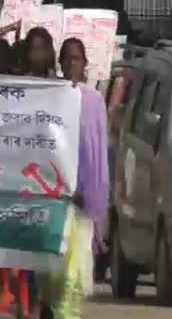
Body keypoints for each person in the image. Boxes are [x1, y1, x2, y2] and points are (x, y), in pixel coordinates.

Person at [40, 38, 109, 319]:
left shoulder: (94, 102)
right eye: (67, 59)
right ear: (60, 63)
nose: (72, 64)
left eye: (77, 59)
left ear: (85, 64)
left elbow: (98, 152)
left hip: (83, 201)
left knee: (75, 275)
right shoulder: (51, 96)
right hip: (55, 197)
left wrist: (94, 197)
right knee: (53, 272)